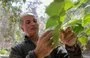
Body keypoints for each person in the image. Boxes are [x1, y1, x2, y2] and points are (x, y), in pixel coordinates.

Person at [9, 13, 82, 58]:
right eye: (28, 22)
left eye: (35, 21)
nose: (33, 23)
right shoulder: (16, 50)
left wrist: (71, 47)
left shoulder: (52, 44)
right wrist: (36, 55)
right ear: (22, 29)